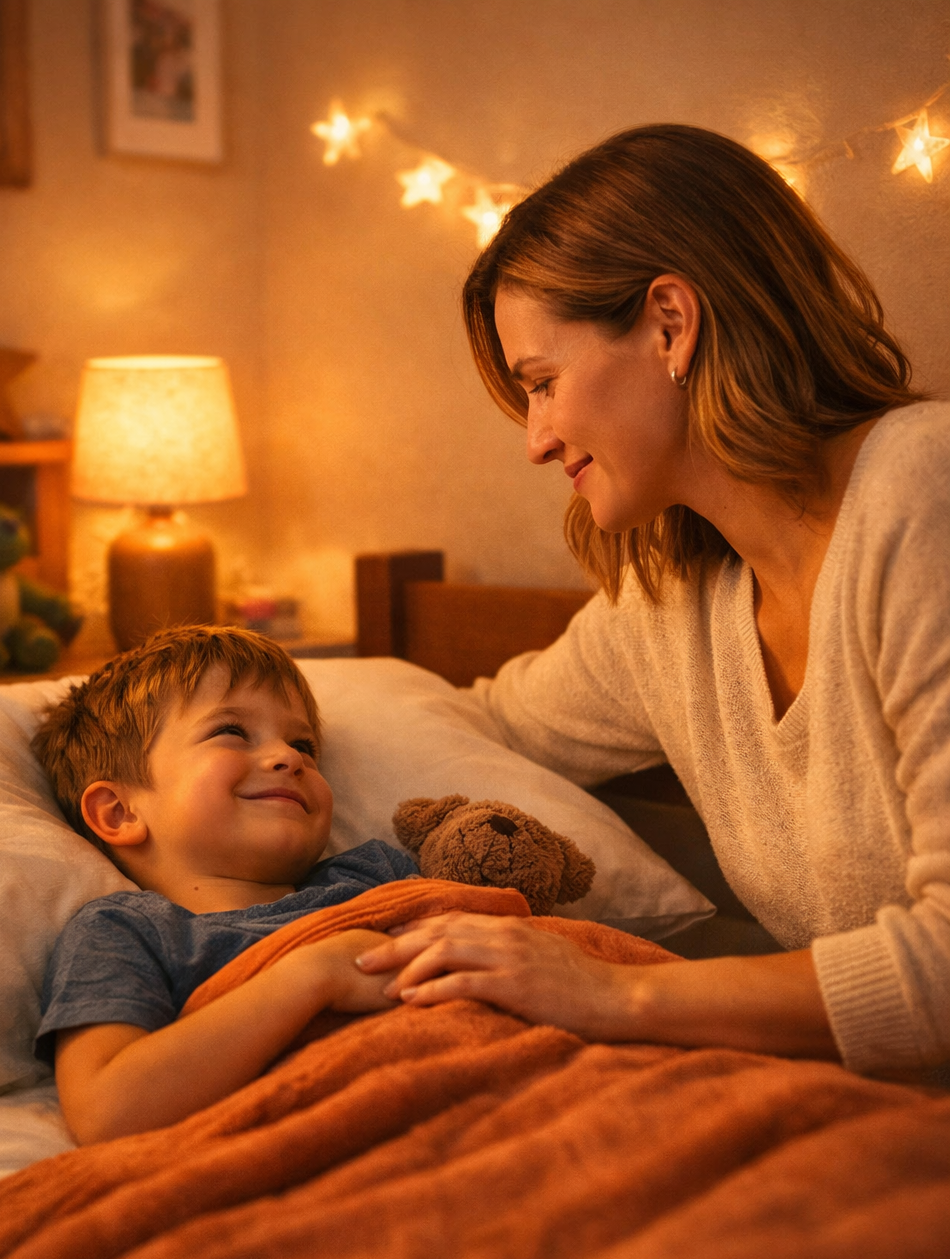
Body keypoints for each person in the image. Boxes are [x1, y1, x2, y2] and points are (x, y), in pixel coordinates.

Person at [357, 124, 950, 1082]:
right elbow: (485, 726)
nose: (536, 441)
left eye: (542, 385)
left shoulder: (924, 488)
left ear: (671, 323)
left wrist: (611, 991)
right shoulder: (676, 602)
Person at [32, 626, 414, 1144]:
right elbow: (108, 1110)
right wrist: (317, 973)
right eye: (231, 732)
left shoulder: (373, 876)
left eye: (303, 744)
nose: (289, 757)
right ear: (120, 812)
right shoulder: (126, 932)